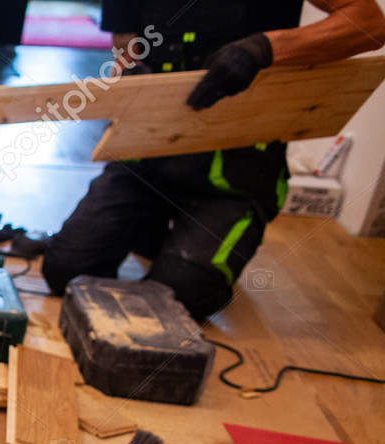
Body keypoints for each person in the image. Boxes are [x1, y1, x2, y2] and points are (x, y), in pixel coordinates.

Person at [39, 0, 385, 321]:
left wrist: (263, 50)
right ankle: (158, 233)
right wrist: (130, 89)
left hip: (234, 175)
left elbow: (369, 23)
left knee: (179, 299)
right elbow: (125, 49)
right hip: (149, 160)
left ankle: (193, 247)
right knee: (67, 270)